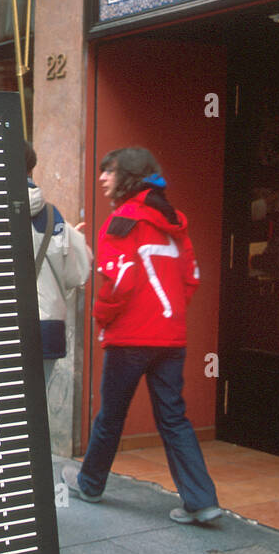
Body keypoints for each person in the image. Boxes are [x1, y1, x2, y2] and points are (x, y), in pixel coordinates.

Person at [62, 146, 221, 524]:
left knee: (112, 415)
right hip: (171, 338)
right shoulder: (176, 222)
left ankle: (90, 484)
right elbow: (191, 279)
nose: (103, 177)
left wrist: (102, 318)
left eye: (110, 171)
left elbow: (118, 282)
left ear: (128, 177)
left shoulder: (122, 222)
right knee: (174, 418)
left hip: (130, 338)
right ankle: (202, 501)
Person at [25, 142, 92, 442]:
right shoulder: (55, 218)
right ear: (31, 168)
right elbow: (78, 275)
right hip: (47, 327)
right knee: (34, 410)